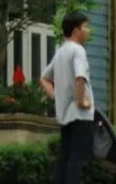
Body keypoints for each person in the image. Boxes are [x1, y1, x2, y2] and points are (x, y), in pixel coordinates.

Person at [40, 11, 94, 184]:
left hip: (65, 116)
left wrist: (58, 98)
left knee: (64, 159)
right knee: (78, 160)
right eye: (86, 26)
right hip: (80, 115)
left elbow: (44, 79)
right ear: (76, 30)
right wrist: (81, 100)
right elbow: (80, 77)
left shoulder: (61, 52)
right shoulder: (78, 51)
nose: (89, 31)